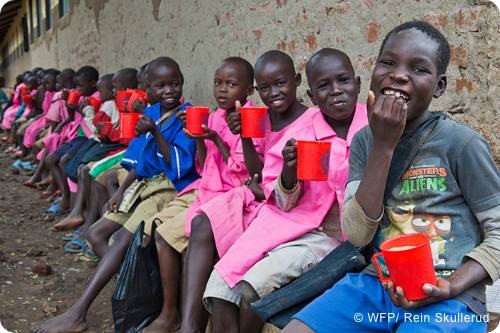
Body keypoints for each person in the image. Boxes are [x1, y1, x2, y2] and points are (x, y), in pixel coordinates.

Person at [282, 21, 500, 333]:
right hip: (377, 285)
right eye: (387, 62)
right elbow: (357, 234)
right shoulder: (364, 141)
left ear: (439, 86)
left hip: (449, 296)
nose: (398, 74)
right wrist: (382, 146)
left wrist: (451, 285)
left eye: (418, 69)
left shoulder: (461, 144)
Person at [32, 56, 199, 333]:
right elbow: (137, 161)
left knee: (121, 237)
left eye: (175, 84)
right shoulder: (152, 113)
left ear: (182, 83)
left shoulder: (187, 115)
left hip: (169, 189)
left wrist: (156, 132)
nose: (169, 90)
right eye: (160, 85)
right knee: (96, 234)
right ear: (148, 87)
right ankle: (135, 289)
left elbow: (180, 168)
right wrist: (121, 191)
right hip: (143, 186)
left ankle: (78, 313)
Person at [178, 50, 309, 333]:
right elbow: (256, 172)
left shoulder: (311, 123)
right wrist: (245, 136)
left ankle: (188, 325)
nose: (273, 93)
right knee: (202, 224)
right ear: (257, 90)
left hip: (278, 206)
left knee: (207, 235)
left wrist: (258, 184)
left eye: (280, 84)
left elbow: (262, 181)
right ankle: (188, 326)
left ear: (297, 81)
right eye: (265, 88)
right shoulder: (258, 117)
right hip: (257, 196)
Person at [141, 56, 260, 333]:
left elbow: (244, 173)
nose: (222, 90)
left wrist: (217, 138)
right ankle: (172, 315)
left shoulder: (251, 118)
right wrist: (200, 138)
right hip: (209, 187)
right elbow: (206, 164)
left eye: (231, 84)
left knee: (189, 229)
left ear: (248, 91)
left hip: (235, 192)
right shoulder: (216, 116)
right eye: (218, 83)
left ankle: (187, 324)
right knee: (161, 232)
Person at [43, 66, 99, 215]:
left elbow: (94, 124)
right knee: (50, 159)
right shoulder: (81, 96)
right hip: (77, 135)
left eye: (81, 86)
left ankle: (67, 199)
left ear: (93, 84)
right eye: (76, 86)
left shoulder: (97, 98)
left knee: (65, 160)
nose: (78, 89)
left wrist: (80, 108)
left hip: (88, 137)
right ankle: (64, 194)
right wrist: (70, 105)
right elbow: (72, 117)